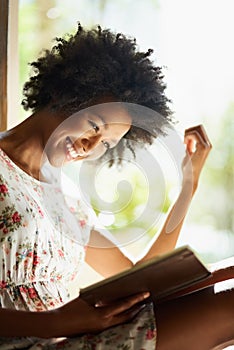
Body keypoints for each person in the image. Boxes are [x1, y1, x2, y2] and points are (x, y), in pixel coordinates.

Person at [0, 23, 233, 350]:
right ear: (66, 92)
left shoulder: (67, 203)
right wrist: (52, 322)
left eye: (106, 144)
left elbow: (141, 278)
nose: (90, 145)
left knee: (225, 297)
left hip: (67, 340)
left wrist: (188, 185)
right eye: (94, 124)